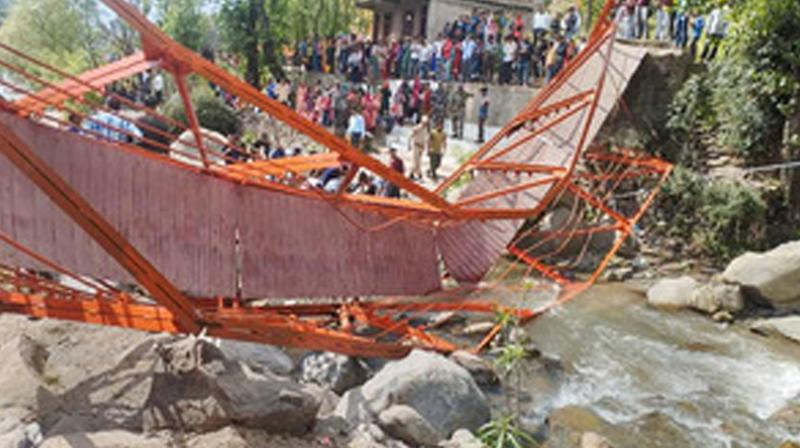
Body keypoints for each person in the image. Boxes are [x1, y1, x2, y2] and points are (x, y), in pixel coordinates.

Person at [408, 115, 430, 180]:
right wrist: (409, 145)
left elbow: (425, 138)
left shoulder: (426, 129)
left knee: (419, 161)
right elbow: (411, 135)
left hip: (421, 146)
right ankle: (414, 173)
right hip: (416, 145)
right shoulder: (417, 128)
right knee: (415, 161)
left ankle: (417, 173)